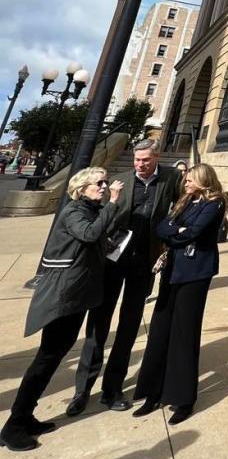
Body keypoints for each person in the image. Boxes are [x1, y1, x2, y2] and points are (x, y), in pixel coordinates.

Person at [1, 168, 124, 451]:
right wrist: (114, 204)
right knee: (46, 357)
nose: (104, 187)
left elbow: (96, 242)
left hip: (79, 295)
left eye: (106, 183)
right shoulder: (73, 211)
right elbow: (90, 235)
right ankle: (14, 425)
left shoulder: (91, 209)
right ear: (82, 188)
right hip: (65, 295)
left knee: (54, 355)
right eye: (99, 183)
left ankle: (25, 415)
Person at [67, 138, 180, 415]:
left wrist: (170, 242)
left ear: (157, 157)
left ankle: (112, 388)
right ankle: (82, 389)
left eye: (146, 160)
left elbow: (180, 206)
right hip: (112, 261)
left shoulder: (171, 178)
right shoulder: (118, 182)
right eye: (137, 160)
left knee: (129, 325)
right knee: (98, 324)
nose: (140, 165)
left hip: (144, 262)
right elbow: (99, 217)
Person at [131, 164, 225, 423]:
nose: (185, 183)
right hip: (173, 270)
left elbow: (194, 232)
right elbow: (162, 227)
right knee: (160, 331)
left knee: (184, 334)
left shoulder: (214, 204)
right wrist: (177, 231)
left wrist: (178, 231)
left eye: (190, 179)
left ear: (204, 181)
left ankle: (183, 398)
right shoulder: (185, 201)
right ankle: (153, 392)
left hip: (195, 274)